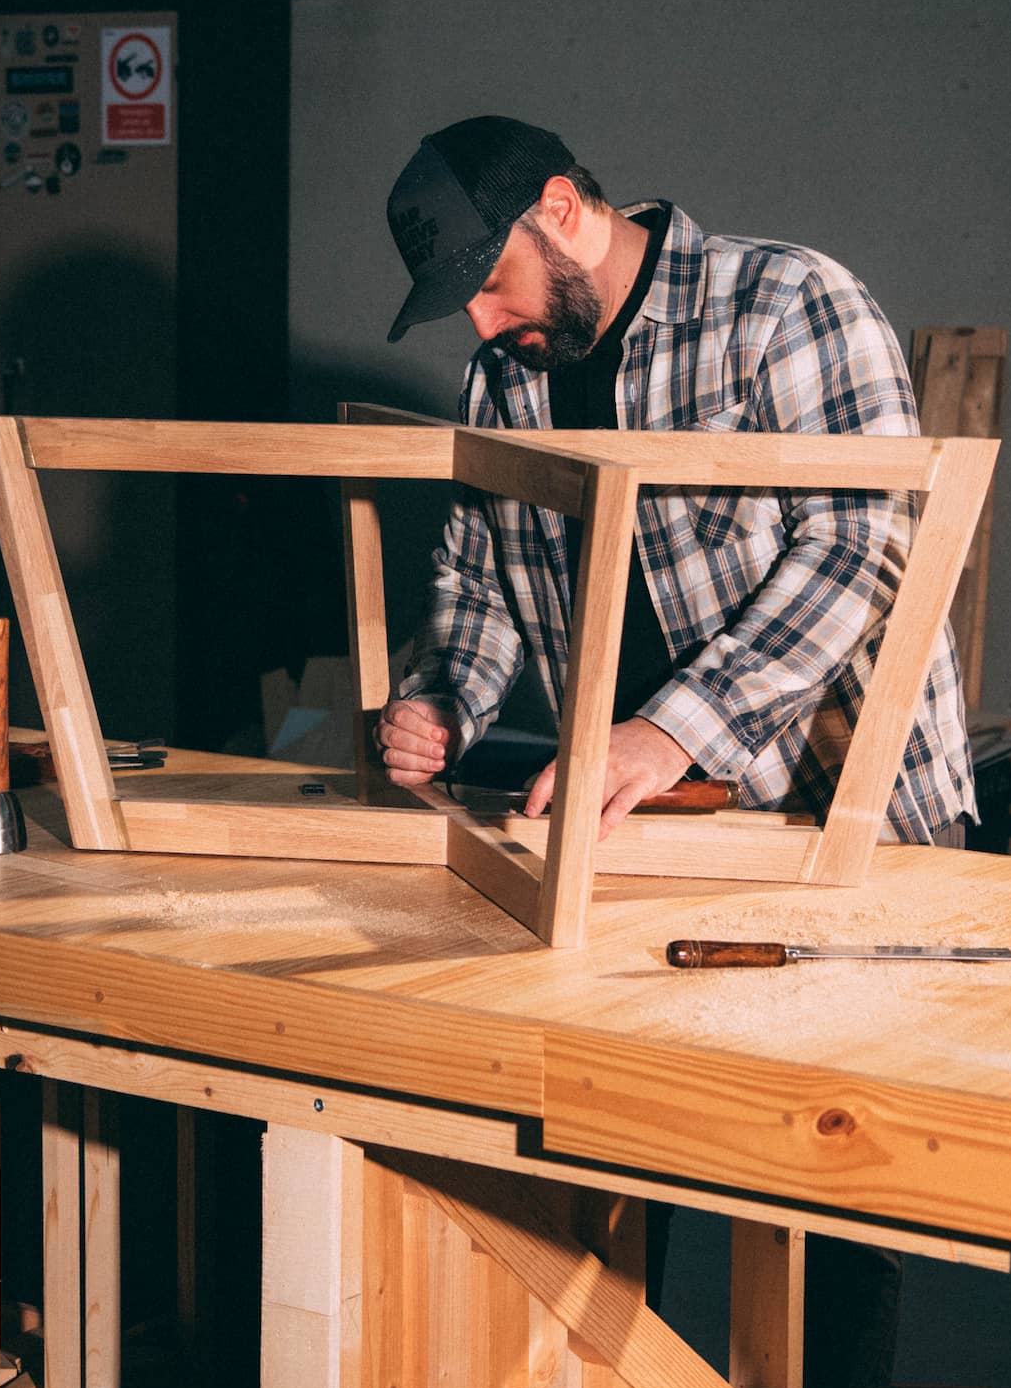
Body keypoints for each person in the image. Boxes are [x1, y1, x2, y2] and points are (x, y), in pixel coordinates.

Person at [374, 115, 973, 847]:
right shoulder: (501, 380)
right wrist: (444, 703)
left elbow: (865, 550)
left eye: (492, 283)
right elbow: (480, 579)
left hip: (847, 808)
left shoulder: (785, 303)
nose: (482, 323)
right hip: (636, 814)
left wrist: (670, 733)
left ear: (560, 210)